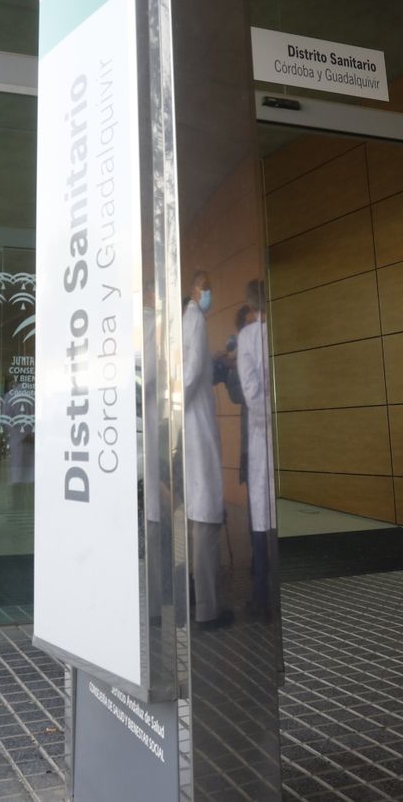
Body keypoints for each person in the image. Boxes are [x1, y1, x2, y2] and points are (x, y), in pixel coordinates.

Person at [182, 270, 229, 630]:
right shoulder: (195, 318)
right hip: (196, 426)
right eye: (207, 288)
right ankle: (207, 610)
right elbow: (192, 371)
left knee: (201, 515)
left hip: (193, 423)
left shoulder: (188, 319)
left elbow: (195, 366)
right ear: (198, 290)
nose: (210, 294)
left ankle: (201, 604)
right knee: (206, 516)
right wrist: (176, 402)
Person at [239, 281, 276, 618]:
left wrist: (266, 418)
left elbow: (250, 392)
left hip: (262, 434)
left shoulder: (248, 338)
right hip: (276, 434)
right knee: (271, 515)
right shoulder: (277, 333)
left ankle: (263, 599)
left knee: (262, 520)